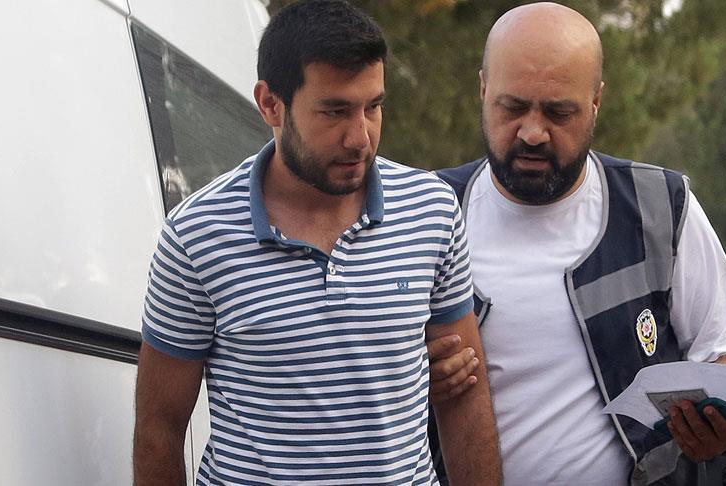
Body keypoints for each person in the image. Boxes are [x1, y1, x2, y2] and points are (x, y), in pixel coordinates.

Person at [132, 1, 501, 484]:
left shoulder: (430, 209)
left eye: (373, 107)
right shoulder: (197, 234)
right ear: (270, 103)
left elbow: (464, 389)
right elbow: (159, 428)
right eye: (335, 111)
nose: (360, 137)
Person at [427, 3, 726, 485]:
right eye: (512, 107)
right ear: (482, 90)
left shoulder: (659, 206)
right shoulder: (427, 213)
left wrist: (718, 425)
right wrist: (409, 376)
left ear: (597, 101)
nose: (532, 133)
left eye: (559, 112)